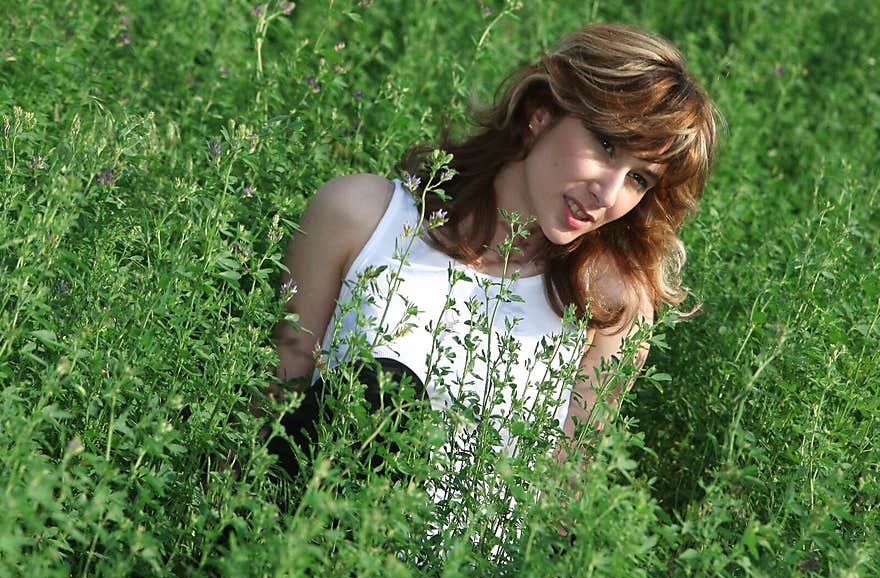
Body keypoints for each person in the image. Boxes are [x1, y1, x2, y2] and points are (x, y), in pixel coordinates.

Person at [262, 22, 720, 507]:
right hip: (312, 549)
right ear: (541, 114)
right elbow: (266, 412)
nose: (608, 194)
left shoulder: (607, 305)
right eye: (605, 145)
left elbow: (559, 512)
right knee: (385, 389)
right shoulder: (361, 215)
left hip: (470, 575)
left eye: (638, 179)